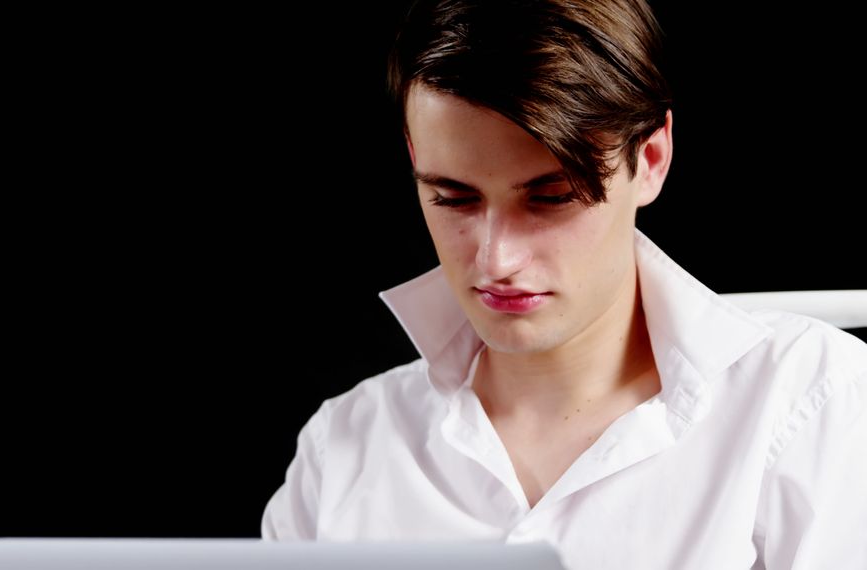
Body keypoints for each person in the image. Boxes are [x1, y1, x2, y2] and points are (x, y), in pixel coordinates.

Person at [260, 1, 867, 568]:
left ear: (651, 159)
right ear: (415, 156)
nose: (496, 259)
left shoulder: (810, 399)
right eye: (453, 197)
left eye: (551, 198)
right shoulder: (341, 449)